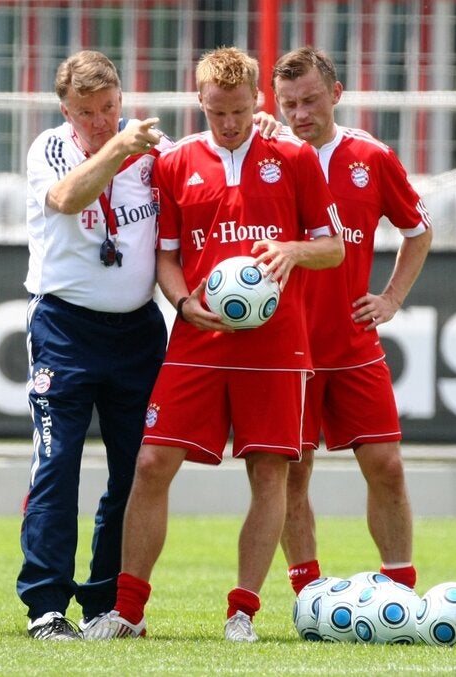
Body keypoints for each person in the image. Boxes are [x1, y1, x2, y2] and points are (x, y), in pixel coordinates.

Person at [21, 49, 285, 642]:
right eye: (86, 111)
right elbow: (68, 200)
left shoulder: (157, 156)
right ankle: (44, 605)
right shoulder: (51, 150)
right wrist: (118, 147)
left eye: (109, 107)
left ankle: (103, 602)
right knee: (56, 465)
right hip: (63, 327)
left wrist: (261, 129)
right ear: (65, 110)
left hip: (139, 329)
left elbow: (214, 157)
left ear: (122, 98)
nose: (99, 120)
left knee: (132, 473)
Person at [83, 46, 344, 643]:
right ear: (200, 102)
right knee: (151, 464)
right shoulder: (175, 164)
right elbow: (166, 257)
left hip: (276, 345)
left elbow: (333, 247)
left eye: (239, 112)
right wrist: (183, 304)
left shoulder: (295, 157)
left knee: (270, 473)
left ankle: (242, 612)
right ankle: (129, 610)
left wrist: (291, 251)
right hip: (197, 339)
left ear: (258, 100)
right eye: (216, 113)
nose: (228, 124)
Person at [271, 47, 433, 593]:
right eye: (289, 103)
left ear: (335, 95)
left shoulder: (371, 157)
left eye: (311, 100)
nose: (299, 114)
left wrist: (390, 298)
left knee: (386, 465)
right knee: (293, 474)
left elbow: (418, 231)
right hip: (285, 349)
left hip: (352, 342)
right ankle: (308, 594)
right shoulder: (263, 160)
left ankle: (400, 590)